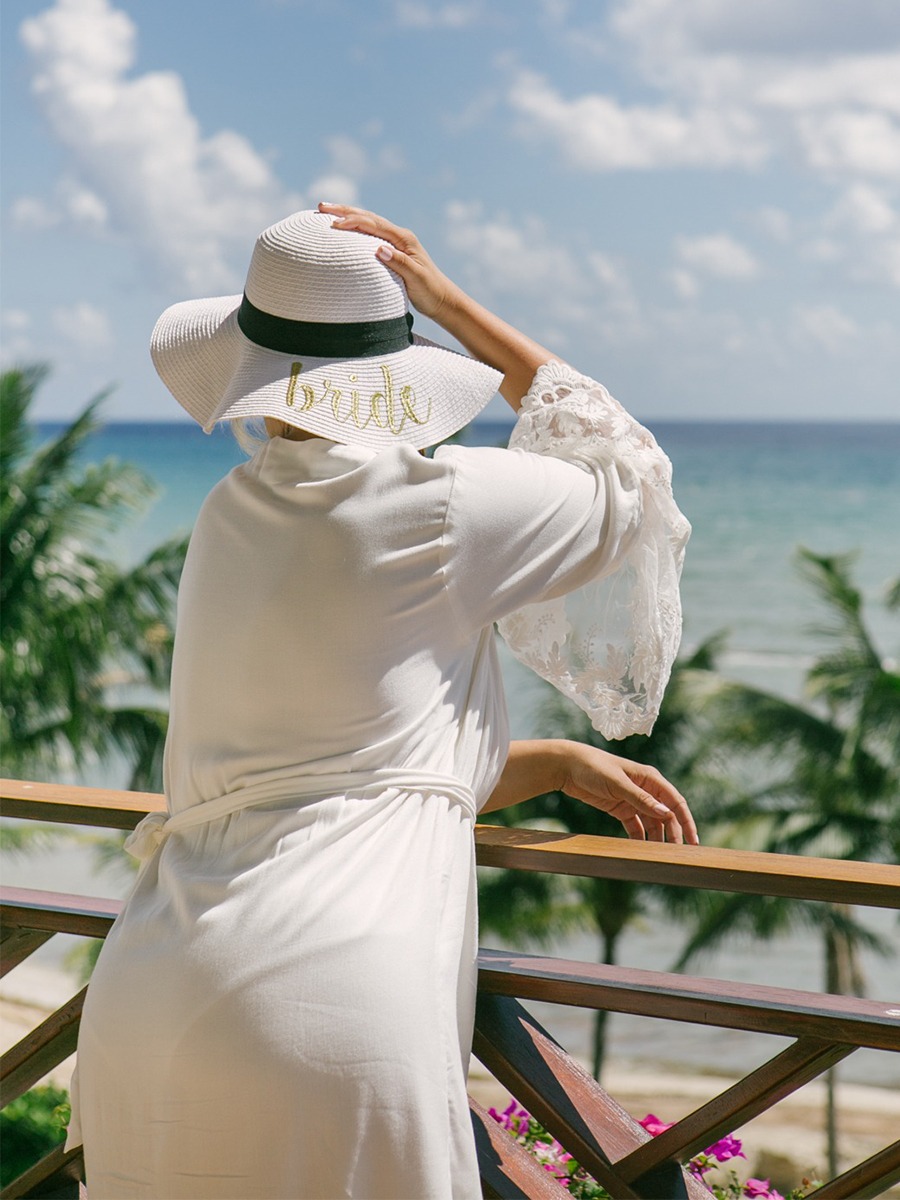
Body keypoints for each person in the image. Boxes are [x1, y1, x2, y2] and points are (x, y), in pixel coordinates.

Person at [67, 203, 696, 1199]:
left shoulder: (229, 522)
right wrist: (448, 300)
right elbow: (631, 469)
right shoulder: (445, 507)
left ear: (251, 364)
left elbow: (337, 771)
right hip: (334, 1008)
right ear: (397, 361)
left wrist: (557, 763)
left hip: (158, 997)